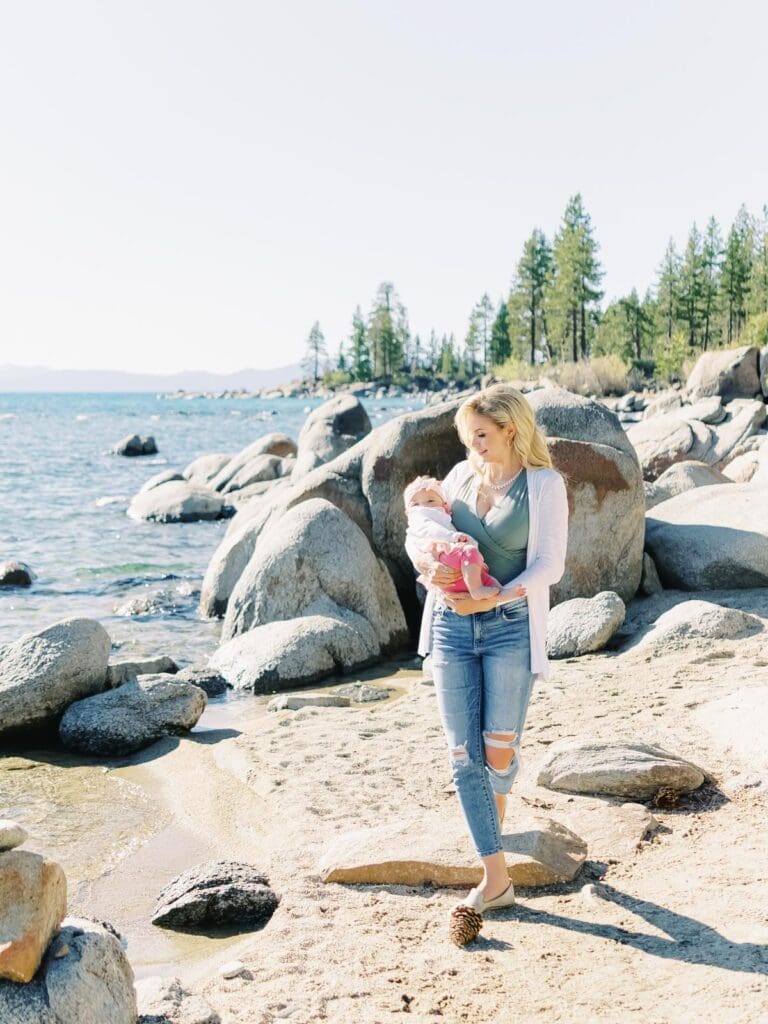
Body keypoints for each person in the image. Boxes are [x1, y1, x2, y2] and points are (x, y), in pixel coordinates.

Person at [404, 383, 569, 919]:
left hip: (510, 629)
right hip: (452, 627)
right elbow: (426, 539)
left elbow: (550, 565)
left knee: (499, 752)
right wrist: (429, 573)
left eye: (481, 433)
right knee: (462, 756)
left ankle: (490, 834)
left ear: (510, 429)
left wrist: (498, 594)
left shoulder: (543, 485)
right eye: (467, 435)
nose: (473, 444)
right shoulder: (455, 479)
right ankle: (495, 877)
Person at [403, 475, 500, 600]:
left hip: (451, 567)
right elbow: (430, 529)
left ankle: (495, 593)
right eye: (415, 504)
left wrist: (478, 561)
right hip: (442, 560)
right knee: (468, 551)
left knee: (490, 581)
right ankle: (477, 589)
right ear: (407, 512)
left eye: (430, 501)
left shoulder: (442, 518)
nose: (423, 506)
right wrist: (453, 537)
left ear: (444, 505)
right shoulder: (420, 517)